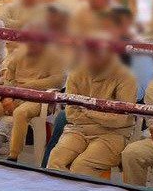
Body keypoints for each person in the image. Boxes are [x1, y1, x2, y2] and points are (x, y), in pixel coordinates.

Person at [0, 34, 64, 160]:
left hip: (39, 99)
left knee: (20, 112)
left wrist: (29, 85)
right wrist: (7, 97)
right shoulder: (19, 54)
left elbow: (58, 80)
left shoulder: (55, 57)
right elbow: (9, 77)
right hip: (14, 95)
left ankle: (13, 155)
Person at [47, 44, 137, 178]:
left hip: (113, 134)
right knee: (55, 159)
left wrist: (87, 110)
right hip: (78, 129)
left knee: (81, 166)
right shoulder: (75, 73)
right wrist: (103, 115)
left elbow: (121, 120)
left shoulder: (126, 78)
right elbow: (71, 114)